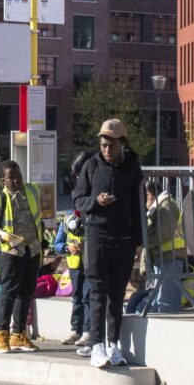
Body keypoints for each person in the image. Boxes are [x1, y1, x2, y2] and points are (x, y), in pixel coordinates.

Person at [73, 119, 144, 368]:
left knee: (117, 294)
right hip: (96, 236)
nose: (107, 150)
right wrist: (96, 201)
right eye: (104, 145)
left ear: (122, 144)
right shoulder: (91, 166)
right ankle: (96, 345)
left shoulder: (133, 168)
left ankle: (113, 344)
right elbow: (78, 199)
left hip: (123, 238)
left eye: (112, 145)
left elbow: (138, 207)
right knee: (97, 292)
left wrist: (138, 241)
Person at [0, 161, 42, 353]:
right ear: (4, 180)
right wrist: (3, 235)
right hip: (11, 251)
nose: (16, 181)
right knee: (9, 292)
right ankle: (1, 335)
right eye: (11, 178)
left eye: (18, 176)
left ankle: (19, 334)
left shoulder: (32, 192)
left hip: (32, 250)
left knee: (26, 293)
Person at [144, 180, 187, 313]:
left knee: (166, 302)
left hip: (171, 256)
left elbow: (163, 233)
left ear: (149, 194)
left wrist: (145, 241)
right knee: (159, 300)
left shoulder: (167, 204)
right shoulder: (160, 205)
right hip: (164, 256)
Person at [53, 210, 91, 347]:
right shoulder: (68, 217)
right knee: (77, 297)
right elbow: (57, 244)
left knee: (87, 297)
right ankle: (76, 330)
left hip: (90, 264)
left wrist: (85, 246)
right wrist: (67, 248)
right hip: (74, 265)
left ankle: (87, 332)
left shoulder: (91, 214)